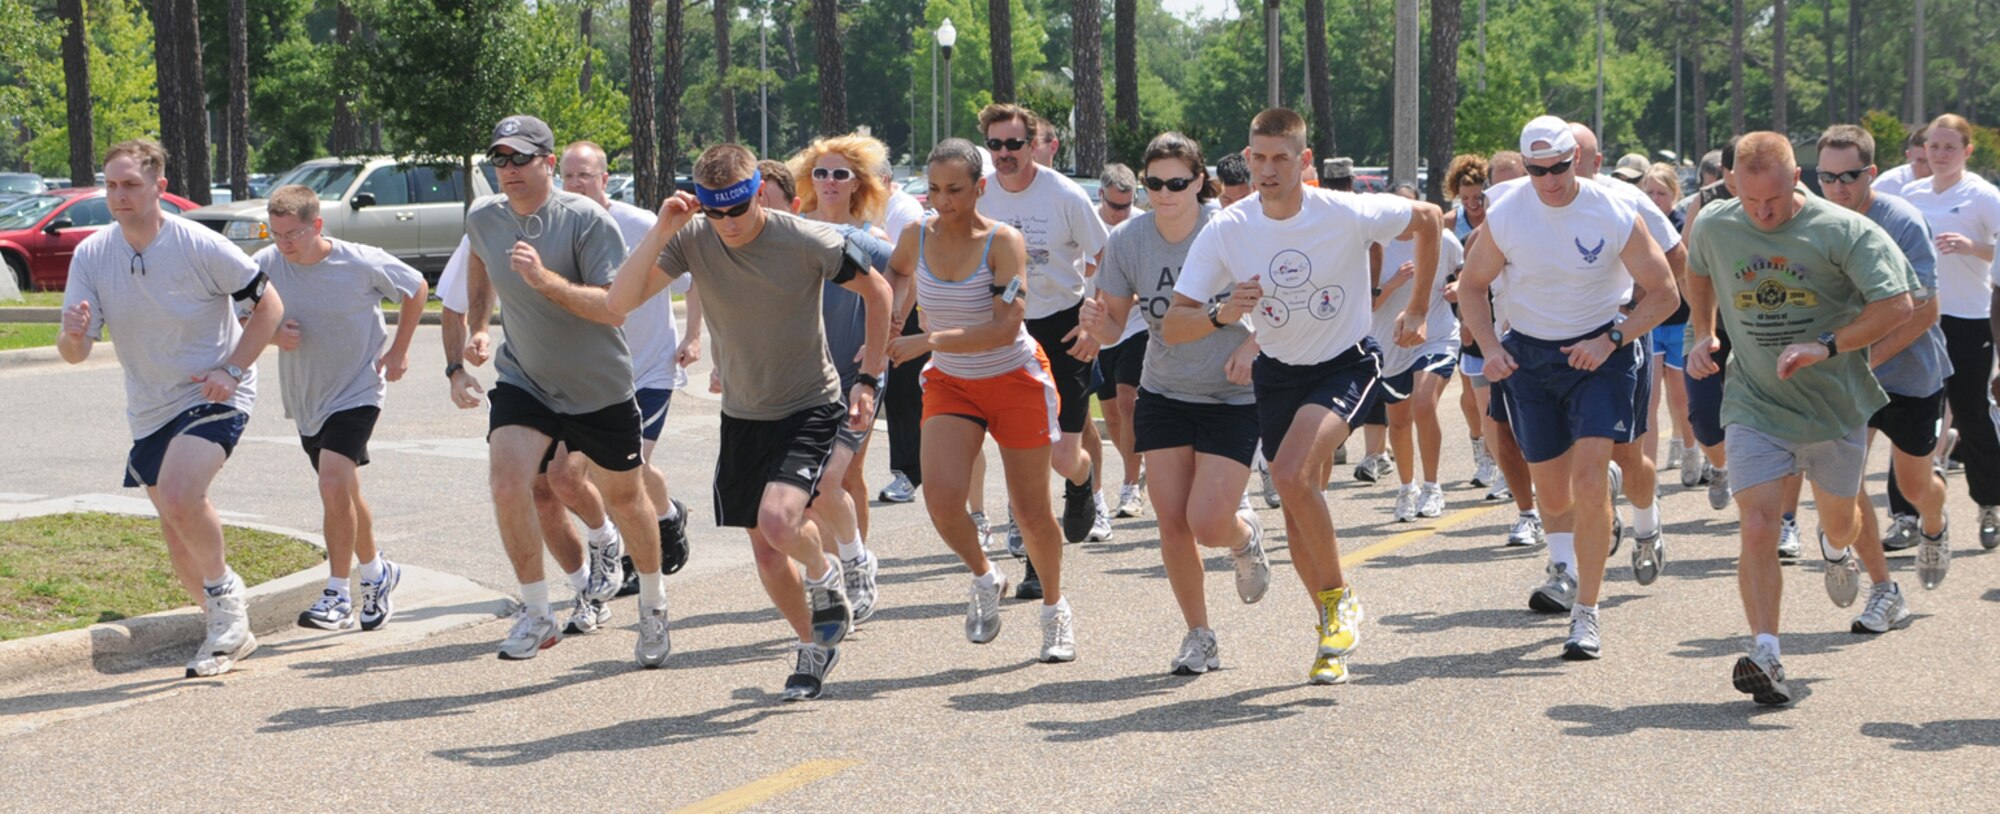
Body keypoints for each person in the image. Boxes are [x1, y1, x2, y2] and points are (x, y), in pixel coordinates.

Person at [1170, 107, 1444, 685]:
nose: (1269, 170)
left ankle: (1340, 600)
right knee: (1297, 505)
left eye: (1281, 158)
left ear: (1305, 161)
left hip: (1345, 364)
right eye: (1259, 158)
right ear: (1246, 159)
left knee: (1291, 476)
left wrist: (1418, 307)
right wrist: (1223, 314)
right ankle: (1329, 631)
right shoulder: (1228, 227)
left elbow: (1428, 217)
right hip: (1278, 372)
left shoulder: (1343, 211)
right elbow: (1176, 323)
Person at [612, 142, 890, 701]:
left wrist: (870, 376)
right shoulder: (692, 239)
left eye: (736, 209)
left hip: (810, 403)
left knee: (781, 523)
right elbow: (620, 299)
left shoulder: (804, 238)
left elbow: (879, 292)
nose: (727, 223)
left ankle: (824, 571)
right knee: (765, 551)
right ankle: (815, 644)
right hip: (743, 413)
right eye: (713, 212)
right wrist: (665, 227)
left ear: (758, 193)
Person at [1683, 131, 1918, 706]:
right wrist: (1703, 331)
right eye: (1752, 201)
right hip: (1755, 402)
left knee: (1841, 522)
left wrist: (1827, 345)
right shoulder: (1716, 222)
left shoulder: (1843, 230)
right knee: (1759, 523)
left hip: (1833, 406)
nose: (1762, 214)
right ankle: (1766, 652)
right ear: (1734, 183)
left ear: (1798, 180)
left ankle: (1836, 548)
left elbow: (1898, 304)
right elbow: (1699, 270)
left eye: (1775, 202)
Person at [59, 139, 285, 677]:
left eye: (131, 184)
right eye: (111, 185)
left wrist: (231, 370)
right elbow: (75, 352)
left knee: (184, 495)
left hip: (212, 391)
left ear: (159, 187)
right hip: (149, 407)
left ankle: (228, 608)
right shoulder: (92, 254)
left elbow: (269, 305)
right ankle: (224, 627)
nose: (119, 196)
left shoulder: (198, 244)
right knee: (175, 527)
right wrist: (71, 335)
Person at [1457, 115, 1678, 661]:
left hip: (1601, 354)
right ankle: (1571, 550)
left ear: (1576, 160)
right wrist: (1490, 348)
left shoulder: (1613, 209)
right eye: (1537, 170)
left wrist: (1614, 337)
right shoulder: (1507, 213)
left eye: (1558, 167)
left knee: (1595, 479)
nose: (1549, 180)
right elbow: (1472, 284)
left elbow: (1665, 292)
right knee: (1553, 495)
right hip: (1531, 357)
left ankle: (1586, 611)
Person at [460, 115, 669, 666]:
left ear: (548, 164)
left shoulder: (586, 221)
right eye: (500, 160)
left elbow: (610, 306)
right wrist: (479, 327)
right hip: (525, 379)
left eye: (520, 159)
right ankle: (537, 614)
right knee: (512, 484)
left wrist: (541, 280)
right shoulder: (484, 216)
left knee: (627, 500)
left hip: (597, 386)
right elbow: (479, 265)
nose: (509, 170)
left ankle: (652, 604)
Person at [1083, 131, 1270, 675]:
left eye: (1177, 183)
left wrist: (1255, 346)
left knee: (1209, 523)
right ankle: (1199, 635)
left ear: (1199, 182)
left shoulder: (1231, 231)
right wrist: (1097, 323)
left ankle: (1244, 537)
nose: (1164, 193)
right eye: (1154, 183)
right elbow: (1117, 320)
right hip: (1163, 390)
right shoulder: (1128, 241)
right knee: (1172, 523)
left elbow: (1281, 301)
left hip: (1233, 394)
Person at [885, 138, 1076, 662]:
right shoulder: (915, 234)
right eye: (934, 189)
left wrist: (927, 339)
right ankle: (986, 577)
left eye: (954, 190)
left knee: (1031, 511)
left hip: (1013, 378)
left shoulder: (1003, 242)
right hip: (952, 383)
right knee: (942, 502)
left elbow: (1005, 326)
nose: (942, 202)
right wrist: (894, 313)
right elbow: (896, 272)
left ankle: (1054, 611)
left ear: (979, 188)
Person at [258, 184, 425, 632]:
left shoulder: (359, 260)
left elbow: (416, 287)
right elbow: (236, 311)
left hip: (359, 389)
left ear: (317, 225)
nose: (283, 244)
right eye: (275, 234)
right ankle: (376, 573)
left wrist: (399, 351)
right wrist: (274, 336)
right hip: (307, 397)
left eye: (292, 234)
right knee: (345, 491)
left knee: (333, 482)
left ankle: (336, 593)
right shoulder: (268, 265)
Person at [549, 140, 697, 623]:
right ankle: (667, 513)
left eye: (584, 176)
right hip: (595, 374)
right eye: (568, 177)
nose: (575, 185)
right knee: (592, 473)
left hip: (649, 368)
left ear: (605, 179)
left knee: (625, 471)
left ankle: (633, 560)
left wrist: (693, 338)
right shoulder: (560, 228)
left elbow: (692, 282)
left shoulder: (640, 225)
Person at [977, 103, 1114, 600]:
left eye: (1014, 144)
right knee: (1023, 452)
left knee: (1061, 455)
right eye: (995, 145)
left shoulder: (1063, 194)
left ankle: (1082, 480)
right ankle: (1037, 563)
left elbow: (1108, 257)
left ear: (1035, 144)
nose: (1004, 154)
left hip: (1064, 327)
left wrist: (1095, 320)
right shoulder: (981, 191)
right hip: (1007, 328)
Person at [1816, 124, 1949, 613]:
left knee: (1915, 488)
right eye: (1826, 178)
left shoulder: (1903, 221)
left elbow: (1926, 310)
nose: (1837, 188)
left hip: (1910, 373)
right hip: (1848, 378)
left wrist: (1864, 359)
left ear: (1871, 172)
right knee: (1845, 486)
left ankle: (1934, 525)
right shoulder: (1816, 220)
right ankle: (1883, 588)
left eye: (1849, 176)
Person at [788, 134, 905, 622]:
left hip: (858, 375)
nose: (830, 182)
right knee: (814, 486)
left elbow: (905, 274)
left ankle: (855, 563)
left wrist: (889, 330)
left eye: (840, 174)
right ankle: (844, 563)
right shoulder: (793, 232)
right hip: (803, 379)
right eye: (821, 173)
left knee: (839, 477)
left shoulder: (871, 241)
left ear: (858, 183)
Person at [1896, 113, 2000, 551]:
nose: (1939, 155)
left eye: (1949, 148)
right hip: (1919, 318)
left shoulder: (1983, 196)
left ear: (1967, 151)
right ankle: (1905, 515)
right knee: (1909, 413)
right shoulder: (1911, 193)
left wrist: (1971, 247)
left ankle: (1989, 504)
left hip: (1967, 318)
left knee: (1972, 413)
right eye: (1934, 147)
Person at [1367, 183, 1464, 521]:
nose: (1405, 218)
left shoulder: (1443, 238)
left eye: (1410, 209)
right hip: (1390, 344)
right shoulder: (1376, 246)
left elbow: (1465, 274)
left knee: (1425, 403)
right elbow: (1368, 304)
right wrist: (1392, 283)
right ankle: (1407, 488)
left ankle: (1433, 487)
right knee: (1399, 421)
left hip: (1436, 335)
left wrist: (1458, 287)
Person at [1635, 164, 1702, 489]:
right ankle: (1647, 472)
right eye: (1649, 193)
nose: (1655, 198)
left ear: (1675, 194)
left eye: (1661, 193)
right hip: (1650, 323)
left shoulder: (1678, 227)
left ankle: (1690, 449)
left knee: (1680, 396)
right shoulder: (1639, 225)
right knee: (1648, 400)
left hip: (1680, 323)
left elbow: (1686, 271)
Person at [1094, 163, 1149, 518]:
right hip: (1099, 331)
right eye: (1115, 206)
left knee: (1129, 402)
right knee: (1112, 414)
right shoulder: (1088, 224)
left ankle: (1130, 488)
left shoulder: (1141, 226)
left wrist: (1120, 301)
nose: (1121, 212)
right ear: (1101, 196)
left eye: (1127, 205)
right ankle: (1135, 465)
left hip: (1135, 325)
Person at [879, 158, 931, 505]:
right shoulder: (873, 207)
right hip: (886, 309)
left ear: (884, 179)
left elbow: (907, 272)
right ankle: (909, 469)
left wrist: (895, 320)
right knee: (895, 394)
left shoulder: (904, 211)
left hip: (908, 312)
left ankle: (911, 473)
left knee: (905, 393)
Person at [1873, 127, 1931, 199]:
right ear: (1908, 156)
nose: (1926, 169)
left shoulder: (1946, 186)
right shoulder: (1888, 184)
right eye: (1920, 161)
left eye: (1931, 161)